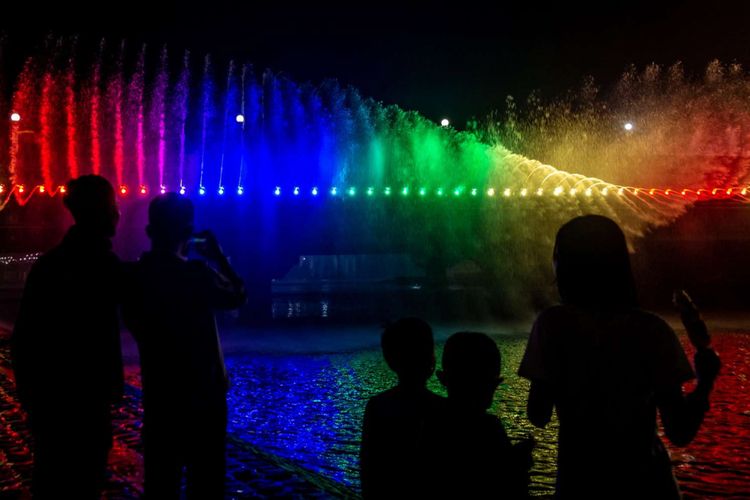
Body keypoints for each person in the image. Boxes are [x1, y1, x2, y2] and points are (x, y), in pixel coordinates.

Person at [518, 214, 721, 499]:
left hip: (581, 483)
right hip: (648, 486)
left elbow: (537, 415)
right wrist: (705, 384)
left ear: (565, 265)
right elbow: (679, 432)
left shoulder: (552, 326)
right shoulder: (652, 330)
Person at [121, 193, 245, 499]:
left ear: (150, 232)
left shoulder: (134, 277)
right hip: (205, 398)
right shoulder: (197, 275)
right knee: (206, 481)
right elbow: (238, 295)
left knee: (161, 482)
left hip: (160, 395)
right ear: (188, 232)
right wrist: (218, 257)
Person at [11, 175, 124, 499]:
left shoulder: (50, 264)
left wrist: (30, 396)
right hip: (87, 397)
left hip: (50, 398)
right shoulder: (104, 265)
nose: (118, 214)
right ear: (101, 212)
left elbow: (25, 336)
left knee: (51, 477)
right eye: (112, 206)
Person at [421, 332, 533, 499]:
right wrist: (516, 462)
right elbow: (507, 485)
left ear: (444, 379)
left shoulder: (430, 423)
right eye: (490, 384)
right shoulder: (490, 428)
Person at [359, 317, 445, 499]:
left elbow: (368, 468)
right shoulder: (444, 408)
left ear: (390, 360)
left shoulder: (377, 406)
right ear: (430, 356)